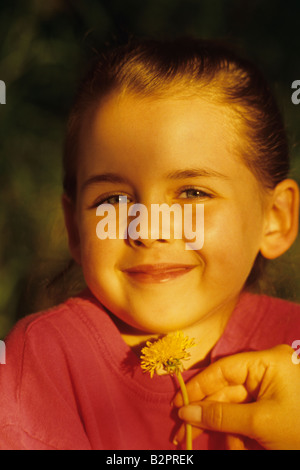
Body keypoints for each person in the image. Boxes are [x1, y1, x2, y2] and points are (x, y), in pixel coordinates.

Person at [0, 37, 300, 450]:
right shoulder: (45, 361)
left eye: (193, 193)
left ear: (275, 219)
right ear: (74, 227)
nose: (148, 229)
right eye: (114, 200)